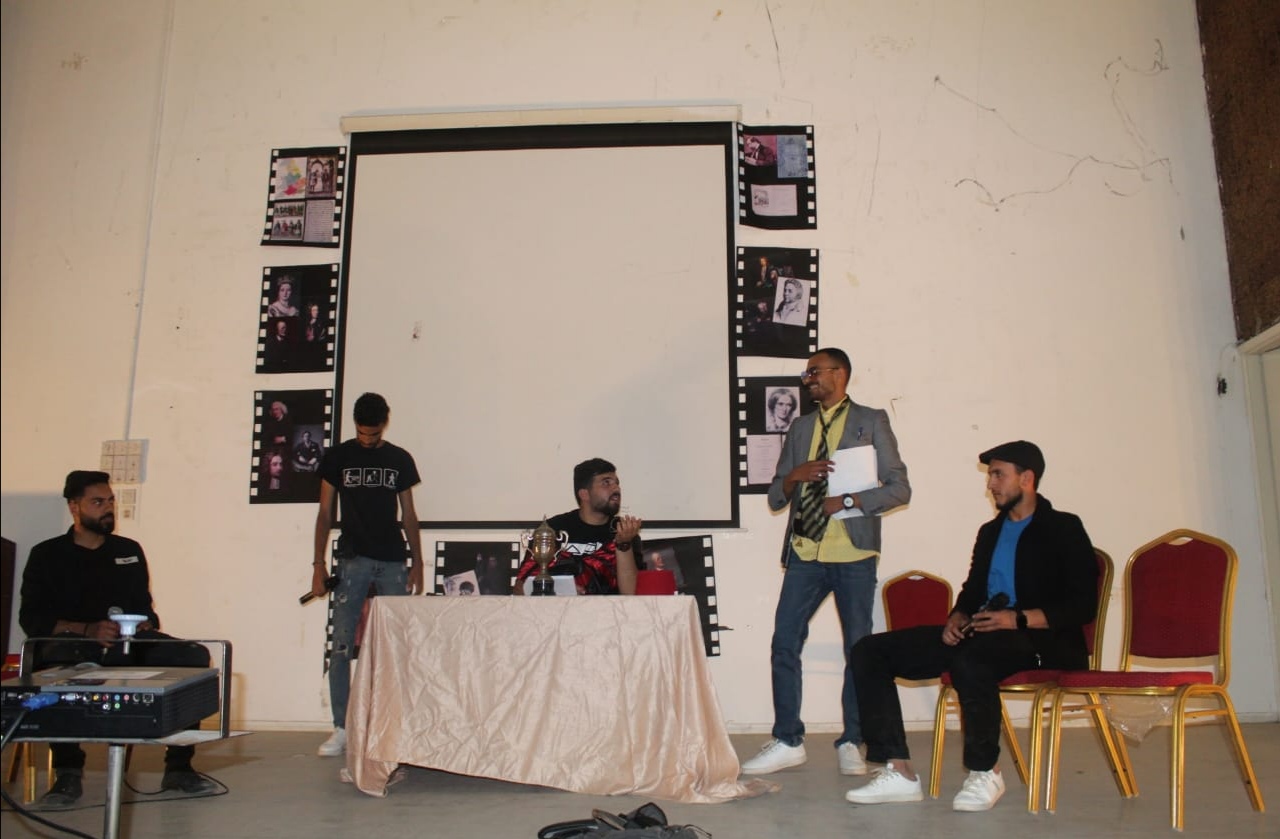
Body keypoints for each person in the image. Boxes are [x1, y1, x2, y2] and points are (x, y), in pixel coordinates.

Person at [844, 441, 1098, 812]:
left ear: (1026, 479)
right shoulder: (990, 532)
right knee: (870, 651)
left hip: (1043, 641)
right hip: (984, 633)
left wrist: (1017, 618)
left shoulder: (1064, 528)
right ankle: (899, 771)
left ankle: (985, 771)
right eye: (990, 476)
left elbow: (1083, 605)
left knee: (971, 661)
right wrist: (958, 616)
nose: (990, 484)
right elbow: (973, 590)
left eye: (998, 475)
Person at [741, 348, 911, 778]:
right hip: (805, 552)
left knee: (858, 650)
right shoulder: (800, 427)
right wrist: (793, 477)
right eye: (807, 373)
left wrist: (849, 501)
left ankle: (852, 739)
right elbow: (776, 497)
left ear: (840, 374)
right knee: (784, 642)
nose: (808, 379)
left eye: (814, 372)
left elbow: (899, 489)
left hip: (852, 554)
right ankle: (787, 740)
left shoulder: (871, 420)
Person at [18, 471, 219, 808]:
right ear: (74, 507)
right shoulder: (47, 554)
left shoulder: (128, 550)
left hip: (127, 643)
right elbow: (32, 619)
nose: (108, 508)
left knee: (192, 656)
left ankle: (179, 767)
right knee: (53, 669)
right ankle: (68, 773)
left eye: (110, 501)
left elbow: (145, 607)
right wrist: (87, 630)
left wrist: (144, 623)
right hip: (72, 645)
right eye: (98, 502)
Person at [312, 392, 424, 757]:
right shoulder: (337, 457)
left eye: (373, 435)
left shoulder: (399, 459)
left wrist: (418, 562)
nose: (367, 440)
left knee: (399, 644)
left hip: (392, 560)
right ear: (355, 426)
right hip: (352, 560)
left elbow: (409, 514)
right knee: (341, 645)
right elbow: (324, 513)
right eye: (362, 433)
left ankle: (399, 726)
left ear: (384, 425)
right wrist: (317, 565)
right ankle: (342, 727)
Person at [513, 458, 642, 596]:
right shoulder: (552, 529)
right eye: (606, 482)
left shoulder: (624, 531)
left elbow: (632, 595)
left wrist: (624, 544)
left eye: (617, 483)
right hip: (556, 609)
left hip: (609, 610)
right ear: (584, 494)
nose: (616, 488)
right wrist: (560, 590)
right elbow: (519, 589)